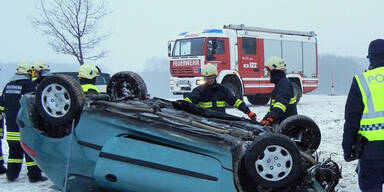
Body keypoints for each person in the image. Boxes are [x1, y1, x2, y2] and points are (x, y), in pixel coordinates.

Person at [343, 39, 384, 192]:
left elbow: (352, 119)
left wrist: (348, 147)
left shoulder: (362, 81)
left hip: (371, 151)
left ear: (371, 58)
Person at [0, 62, 47, 182]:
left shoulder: (8, 85)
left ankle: (11, 175)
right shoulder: (28, 85)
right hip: (24, 125)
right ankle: (34, 176)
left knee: (14, 152)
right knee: (30, 151)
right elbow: (34, 103)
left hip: (11, 126)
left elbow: (2, 105)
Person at [184, 63, 257, 120]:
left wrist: (248, 112)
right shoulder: (199, 91)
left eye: (212, 78)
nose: (210, 80)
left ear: (215, 77)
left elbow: (235, 101)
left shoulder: (222, 89)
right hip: (205, 123)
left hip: (221, 122)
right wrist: (180, 106)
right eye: (207, 78)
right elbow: (188, 102)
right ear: (204, 78)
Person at [260, 56, 297, 127]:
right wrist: (265, 119)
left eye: (268, 71)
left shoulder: (284, 84)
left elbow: (280, 104)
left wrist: (269, 119)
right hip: (280, 121)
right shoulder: (280, 84)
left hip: (285, 125)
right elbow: (273, 108)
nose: (268, 74)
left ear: (274, 71)